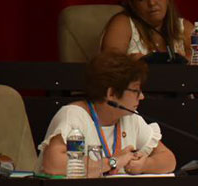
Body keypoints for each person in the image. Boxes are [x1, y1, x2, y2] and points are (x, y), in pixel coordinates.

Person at [37, 51, 176, 176]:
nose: (142, 97)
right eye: (136, 91)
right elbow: (53, 165)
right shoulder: (74, 116)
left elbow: (169, 159)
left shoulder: (130, 118)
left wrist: (144, 165)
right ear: (111, 93)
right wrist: (112, 162)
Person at [99, 0, 194, 62]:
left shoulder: (184, 28)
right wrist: (133, 62)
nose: (151, 3)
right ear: (132, 3)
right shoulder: (122, 23)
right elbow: (109, 63)